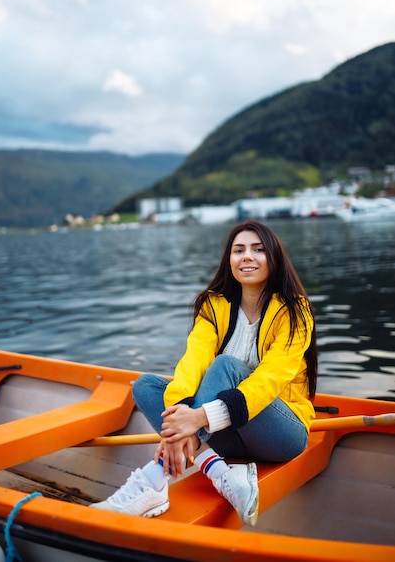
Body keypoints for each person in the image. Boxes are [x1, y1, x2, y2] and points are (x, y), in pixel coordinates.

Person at [91, 220, 318, 526]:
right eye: (238, 251)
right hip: (228, 438)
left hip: (281, 434)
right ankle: (221, 472)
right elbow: (192, 363)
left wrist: (191, 422)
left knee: (225, 365)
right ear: (229, 260)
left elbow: (270, 379)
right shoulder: (213, 307)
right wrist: (180, 415)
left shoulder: (294, 311)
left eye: (258, 250)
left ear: (274, 258)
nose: (247, 257)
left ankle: (154, 478)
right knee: (146, 386)